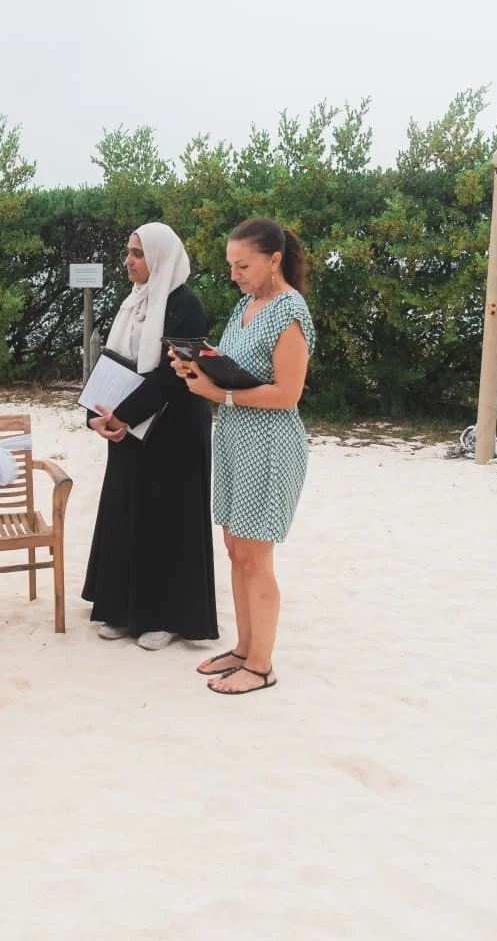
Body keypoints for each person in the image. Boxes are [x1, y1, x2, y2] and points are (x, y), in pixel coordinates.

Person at [174, 218, 316, 695]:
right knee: (236, 550)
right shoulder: (245, 305)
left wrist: (219, 395)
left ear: (273, 260)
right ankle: (243, 648)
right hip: (236, 440)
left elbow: (287, 394)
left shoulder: (289, 310)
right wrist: (197, 363)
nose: (235, 273)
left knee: (257, 556)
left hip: (271, 444)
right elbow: (239, 368)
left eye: (243, 264)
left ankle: (261, 665)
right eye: (231, 265)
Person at [82, 222, 219, 650]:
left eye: (137, 254)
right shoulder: (133, 304)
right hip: (130, 428)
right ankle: (123, 610)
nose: (128, 261)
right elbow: (112, 362)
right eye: (128, 252)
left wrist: (122, 415)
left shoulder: (186, 305)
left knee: (167, 518)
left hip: (175, 429)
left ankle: (167, 617)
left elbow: (174, 376)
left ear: (159, 257)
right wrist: (96, 416)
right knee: (128, 510)